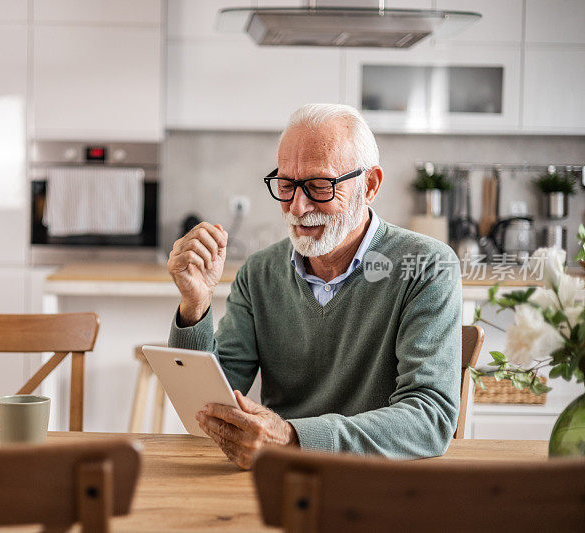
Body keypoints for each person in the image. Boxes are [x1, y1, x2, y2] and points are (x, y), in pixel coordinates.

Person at [166, 103, 462, 469]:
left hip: (385, 482)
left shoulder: (427, 266)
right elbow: (211, 405)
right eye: (287, 185)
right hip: (283, 480)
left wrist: (294, 439)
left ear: (369, 186)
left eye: (320, 186)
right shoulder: (259, 273)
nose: (298, 207)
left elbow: (430, 419)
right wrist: (195, 305)